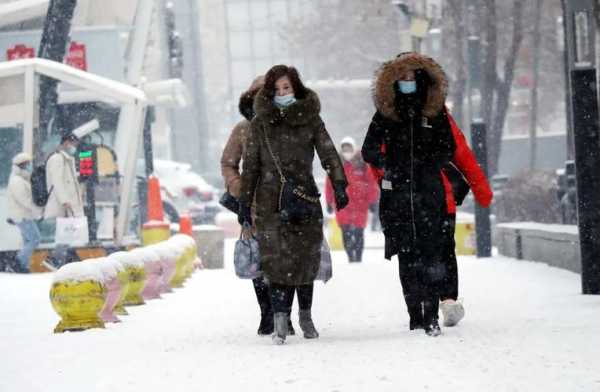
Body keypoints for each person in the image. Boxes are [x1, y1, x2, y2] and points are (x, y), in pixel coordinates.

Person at [239, 65, 349, 345]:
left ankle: (306, 315)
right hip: (269, 203)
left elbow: (328, 151)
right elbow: (250, 167)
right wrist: (244, 204)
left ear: (295, 88)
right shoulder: (259, 124)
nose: (281, 93)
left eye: (286, 88)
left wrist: (339, 183)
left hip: (303, 199)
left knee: (305, 259)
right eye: (276, 89)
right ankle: (279, 319)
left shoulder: (310, 118)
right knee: (275, 263)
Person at [362, 52, 455, 337]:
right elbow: (369, 149)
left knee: (432, 254)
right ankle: (415, 313)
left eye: (411, 76)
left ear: (421, 78)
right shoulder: (387, 115)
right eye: (401, 77)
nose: (407, 81)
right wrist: (391, 166)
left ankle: (431, 314)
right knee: (407, 257)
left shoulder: (434, 112)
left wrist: (428, 165)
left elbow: (448, 147)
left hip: (429, 195)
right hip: (399, 197)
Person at [221, 75, 298, 337]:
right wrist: (238, 187)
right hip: (254, 205)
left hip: (285, 202)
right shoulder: (243, 129)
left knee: (286, 259)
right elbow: (228, 162)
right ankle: (267, 312)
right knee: (259, 261)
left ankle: (284, 314)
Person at [438, 113, 493, 327]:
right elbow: (378, 156)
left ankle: (448, 300)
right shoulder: (390, 116)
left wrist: (481, 188)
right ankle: (423, 304)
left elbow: (462, 154)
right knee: (421, 252)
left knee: (444, 250)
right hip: (413, 200)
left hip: (442, 199)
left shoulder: (441, 117)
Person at [325, 137, 379, 263]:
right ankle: (351, 258)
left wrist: (372, 201)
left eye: (349, 148)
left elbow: (371, 183)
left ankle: (358, 259)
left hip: (360, 205)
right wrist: (328, 201)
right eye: (344, 149)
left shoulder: (362, 164)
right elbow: (329, 184)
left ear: (354, 149)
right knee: (346, 232)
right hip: (342, 204)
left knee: (359, 232)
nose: (347, 151)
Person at [42, 133, 85, 271]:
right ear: (66, 143)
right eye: (73, 144)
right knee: (67, 233)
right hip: (62, 203)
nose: (74, 147)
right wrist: (65, 200)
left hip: (67, 203)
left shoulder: (66, 159)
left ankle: (68, 259)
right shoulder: (57, 159)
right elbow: (58, 181)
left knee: (69, 232)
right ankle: (55, 259)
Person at [7, 153, 41, 273]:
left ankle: (23, 266)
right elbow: (24, 200)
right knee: (35, 239)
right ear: (21, 165)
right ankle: (18, 262)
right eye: (28, 164)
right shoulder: (16, 181)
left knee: (28, 240)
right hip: (22, 216)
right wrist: (38, 210)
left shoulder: (20, 179)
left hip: (23, 215)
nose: (30, 166)